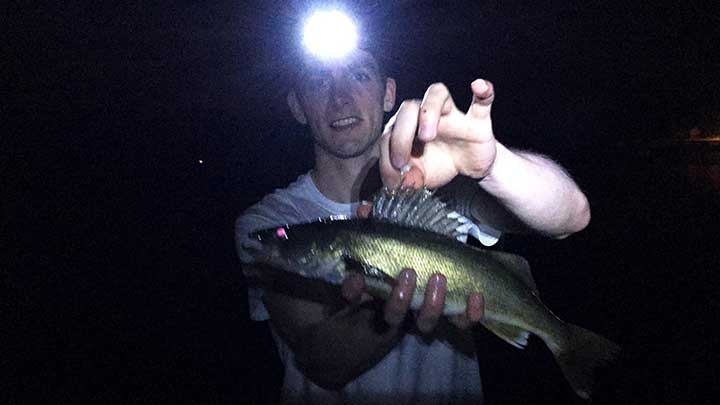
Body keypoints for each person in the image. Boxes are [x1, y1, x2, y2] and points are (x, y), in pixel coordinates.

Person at [235, 47, 590, 404]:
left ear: (388, 93)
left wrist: (492, 164)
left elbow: (571, 216)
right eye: (318, 81)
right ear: (297, 106)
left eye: (359, 76)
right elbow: (324, 362)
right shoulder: (268, 221)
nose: (339, 97)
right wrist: (394, 307)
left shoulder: (439, 188)